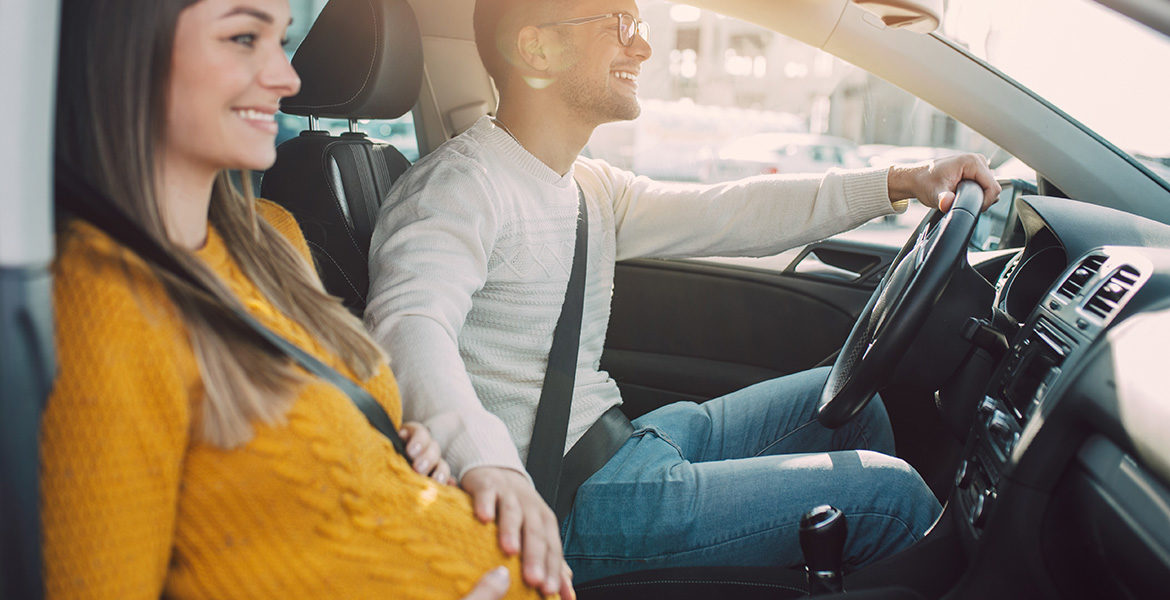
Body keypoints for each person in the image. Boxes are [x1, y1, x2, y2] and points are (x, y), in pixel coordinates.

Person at [364, 0, 1003, 584]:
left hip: (622, 444)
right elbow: (408, 326)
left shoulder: (586, 184)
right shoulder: (457, 187)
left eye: (640, 26)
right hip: (563, 497)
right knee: (889, 499)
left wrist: (902, 180)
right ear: (538, 50)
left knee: (851, 406)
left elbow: (736, 211)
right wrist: (488, 465)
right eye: (620, 23)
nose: (642, 48)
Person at [42, 0, 570, 598]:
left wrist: (387, 449)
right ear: (128, 56)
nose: (288, 79)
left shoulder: (269, 234)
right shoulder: (106, 304)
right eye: (243, 38)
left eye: (280, 42)